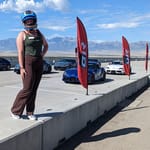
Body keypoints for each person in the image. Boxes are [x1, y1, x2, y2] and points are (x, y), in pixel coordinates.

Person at [11, 10, 48, 120]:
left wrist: (42, 54)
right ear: (24, 22)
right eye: (27, 20)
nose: (30, 22)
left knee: (34, 88)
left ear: (35, 20)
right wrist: (22, 67)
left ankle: (30, 112)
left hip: (39, 62)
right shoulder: (22, 35)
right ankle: (15, 111)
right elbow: (20, 52)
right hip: (28, 62)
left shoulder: (39, 33)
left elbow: (46, 45)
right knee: (27, 88)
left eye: (31, 20)